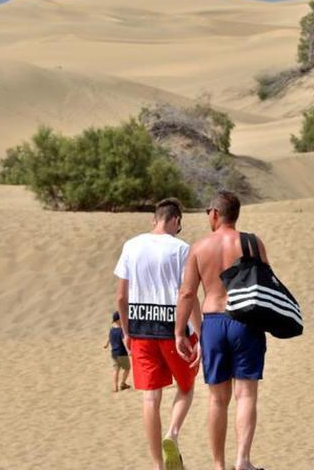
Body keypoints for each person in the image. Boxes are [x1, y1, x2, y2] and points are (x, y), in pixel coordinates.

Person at [175, 190, 268, 470]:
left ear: (214, 214)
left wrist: (181, 331)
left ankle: (219, 465)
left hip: (214, 323)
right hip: (246, 322)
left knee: (217, 399)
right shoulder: (253, 244)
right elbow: (265, 284)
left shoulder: (200, 247)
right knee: (246, 394)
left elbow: (188, 293)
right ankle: (243, 460)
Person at [114, 198, 201, 470]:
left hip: (140, 329)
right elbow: (189, 295)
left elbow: (120, 297)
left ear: (155, 220)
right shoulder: (182, 249)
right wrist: (199, 331)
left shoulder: (131, 245)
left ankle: (156, 465)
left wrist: (126, 331)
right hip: (173, 328)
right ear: (175, 220)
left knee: (150, 397)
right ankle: (172, 433)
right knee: (186, 388)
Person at [104, 311, 131, 392]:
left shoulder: (112, 330)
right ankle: (122, 383)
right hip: (122, 353)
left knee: (116, 370)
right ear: (119, 320)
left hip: (114, 353)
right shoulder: (121, 330)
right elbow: (123, 341)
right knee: (127, 368)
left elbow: (109, 338)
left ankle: (115, 387)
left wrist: (106, 345)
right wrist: (128, 350)